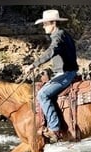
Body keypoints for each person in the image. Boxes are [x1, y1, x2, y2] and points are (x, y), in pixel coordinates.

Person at [25, 9, 79, 143]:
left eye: (45, 24)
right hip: (67, 72)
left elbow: (52, 51)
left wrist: (34, 64)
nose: (43, 27)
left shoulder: (58, 35)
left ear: (53, 23)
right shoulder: (63, 35)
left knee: (42, 95)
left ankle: (54, 128)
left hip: (66, 74)